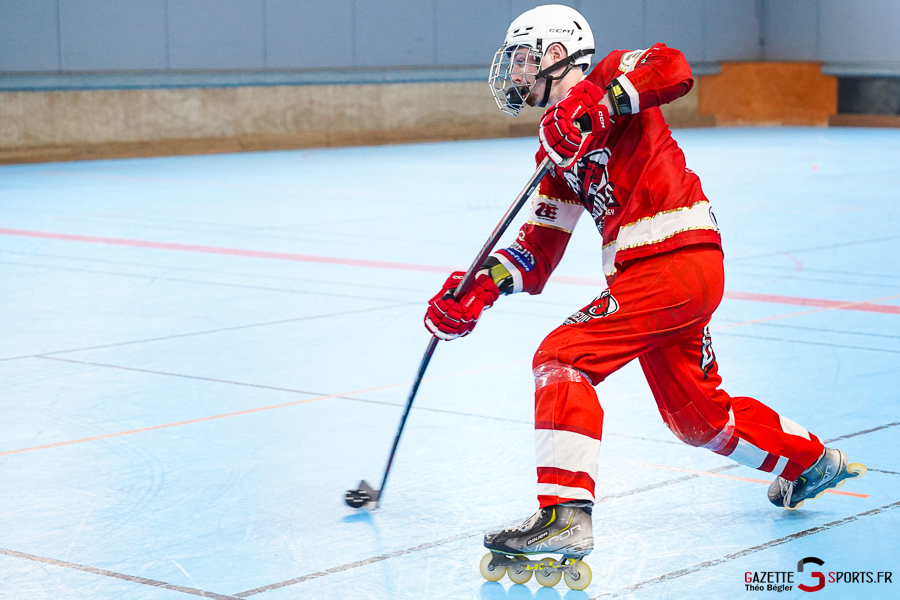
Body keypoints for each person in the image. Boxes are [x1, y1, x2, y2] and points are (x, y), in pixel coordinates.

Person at [423, 3, 865, 585]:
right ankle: (812, 462)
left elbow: (674, 68)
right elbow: (538, 251)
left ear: (556, 55)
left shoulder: (613, 74)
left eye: (525, 59)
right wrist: (480, 287)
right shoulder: (556, 153)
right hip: (662, 281)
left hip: (671, 260)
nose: (517, 72)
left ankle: (564, 516)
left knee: (562, 357)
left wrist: (599, 101)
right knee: (700, 421)